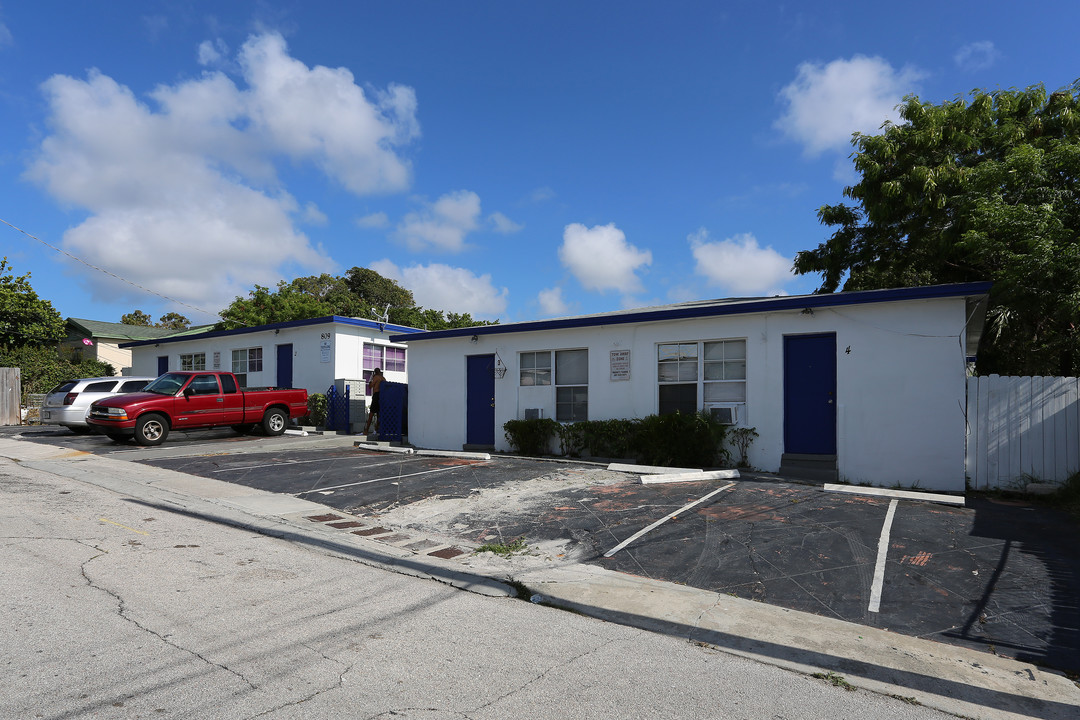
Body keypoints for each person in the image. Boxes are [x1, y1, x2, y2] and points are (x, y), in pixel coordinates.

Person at [363, 368, 384, 435]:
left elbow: (370, 386)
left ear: (375, 372)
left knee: (371, 414)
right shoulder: (383, 378)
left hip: (376, 395)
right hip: (382, 396)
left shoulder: (376, 378)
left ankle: (366, 430)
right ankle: (376, 430)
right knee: (378, 414)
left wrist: (371, 379)